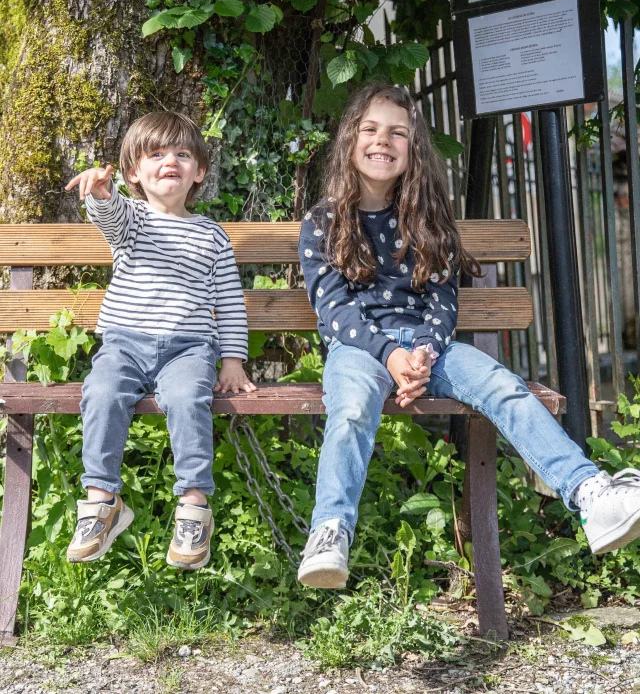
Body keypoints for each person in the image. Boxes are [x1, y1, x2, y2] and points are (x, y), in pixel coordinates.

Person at [296, 82, 640, 589]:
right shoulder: (323, 221)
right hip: (359, 349)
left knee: (506, 387)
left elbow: (442, 300)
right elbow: (334, 310)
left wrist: (423, 352)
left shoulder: (426, 218)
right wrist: (390, 356)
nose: (382, 140)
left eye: (397, 132)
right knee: (350, 409)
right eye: (370, 129)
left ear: (414, 148)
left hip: (428, 349)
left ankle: (590, 494)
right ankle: (330, 531)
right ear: (350, 139)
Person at [64, 111, 256, 570]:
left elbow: (229, 301)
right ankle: (101, 501)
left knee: (188, 398)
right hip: (124, 345)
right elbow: (109, 216)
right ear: (134, 172)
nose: (170, 161)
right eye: (156, 154)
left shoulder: (212, 235)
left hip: (189, 348)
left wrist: (232, 359)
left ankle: (194, 506)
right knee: (101, 392)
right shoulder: (132, 220)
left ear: (199, 171)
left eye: (182, 154)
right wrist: (102, 193)